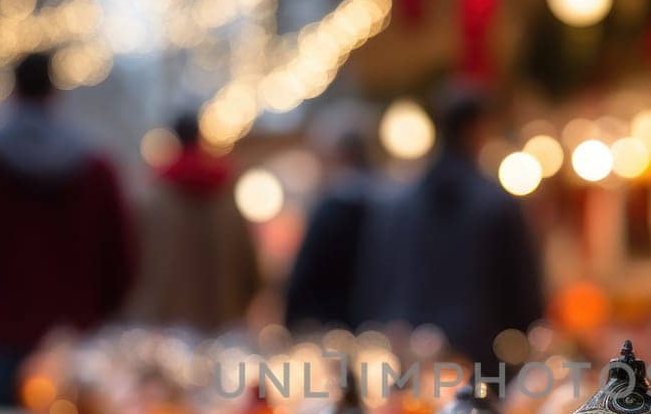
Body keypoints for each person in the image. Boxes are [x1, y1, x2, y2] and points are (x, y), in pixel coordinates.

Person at [0, 52, 136, 406]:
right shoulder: (96, 166)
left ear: (13, 93)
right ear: (56, 94)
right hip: (76, 342)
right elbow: (122, 256)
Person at [351, 88, 544, 364]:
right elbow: (523, 289)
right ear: (477, 129)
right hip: (479, 350)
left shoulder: (399, 201)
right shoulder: (495, 203)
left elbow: (375, 275)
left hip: (408, 346)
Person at [124, 113, 259, 331]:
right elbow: (251, 269)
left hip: (163, 326)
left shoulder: (153, 201)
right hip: (223, 322)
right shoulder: (227, 198)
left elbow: (131, 265)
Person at [283, 127, 384, 331]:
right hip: (380, 321)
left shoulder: (332, 209)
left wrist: (291, 318)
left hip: (332, 324)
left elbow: (306, 272)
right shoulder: (385, 204)